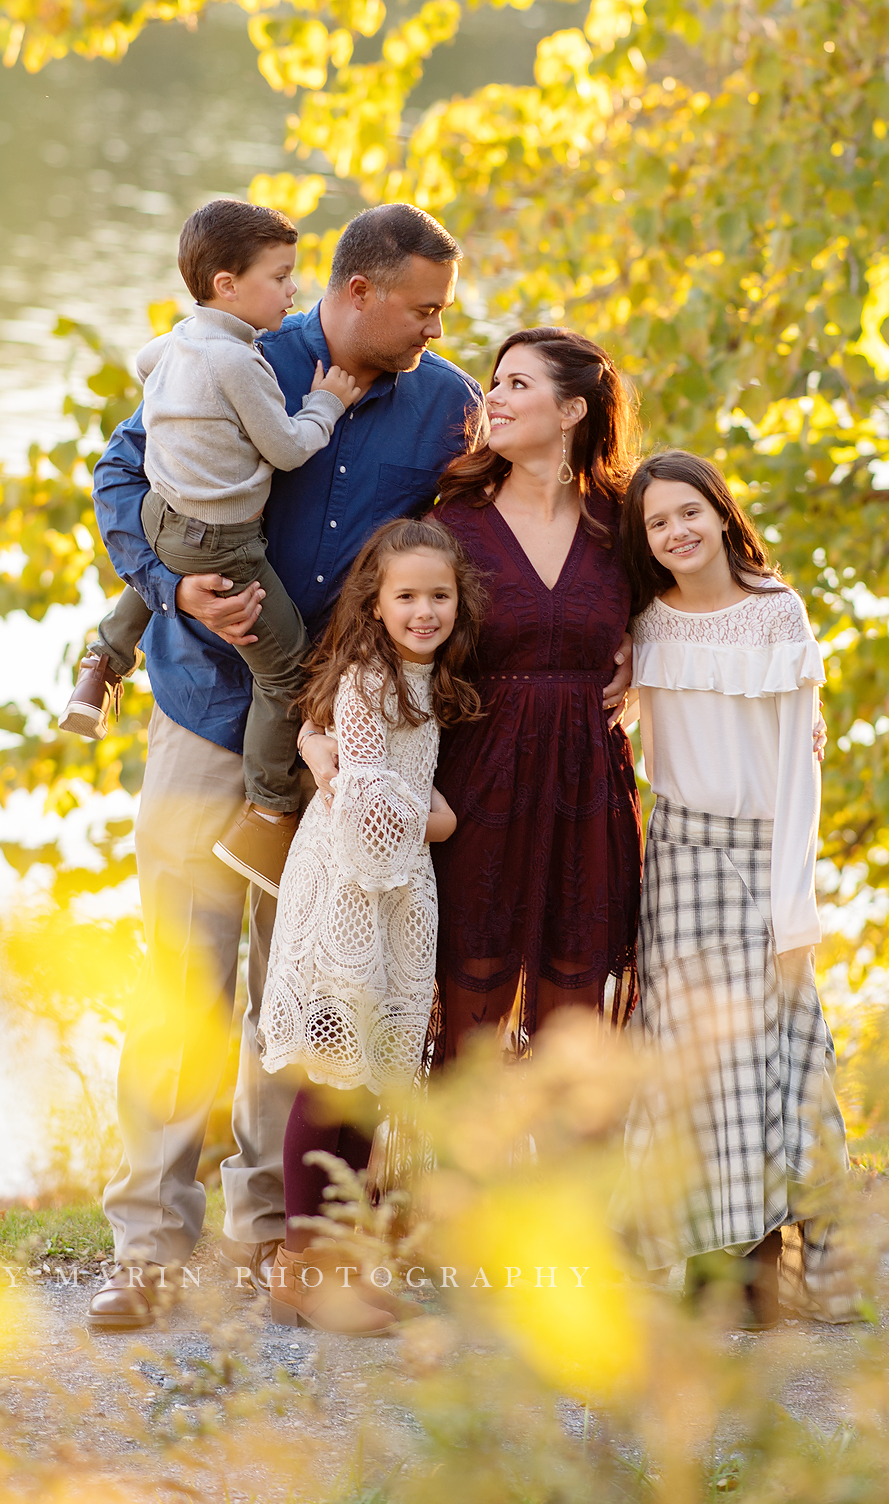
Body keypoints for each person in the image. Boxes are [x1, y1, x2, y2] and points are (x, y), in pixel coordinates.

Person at [84, 203, 480, 1331]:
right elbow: (121, 476)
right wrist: (169, 590)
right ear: (358, 293)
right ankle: (151, 1246)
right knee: (186, 984)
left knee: (297, 997)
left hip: (344, 746)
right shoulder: (232, 352)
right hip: (209, 718)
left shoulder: (446, 405)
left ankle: (271, 1241)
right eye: (422, 308)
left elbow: (486, 541)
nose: (433, 329)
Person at [58, 198, 362, 885]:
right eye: (280, 277)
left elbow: (143, 360)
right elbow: (286, 449)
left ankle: (101, 663)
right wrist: (329, 401)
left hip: (162, 517)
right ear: (227, 284)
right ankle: (267, 814)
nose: (292, 291)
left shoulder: (182, 340)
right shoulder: (239, 361)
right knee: (285, 672)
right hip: (225, 544)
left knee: (166, 555)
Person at [618, 450, 851, 1328]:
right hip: (677, 861)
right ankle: (711, 1272)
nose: (676, 533)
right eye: (656, 524)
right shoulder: (645, 623)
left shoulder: (776, 615)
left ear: (720, 514)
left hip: (762, 858)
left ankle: (778, 1274)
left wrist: (795, 910)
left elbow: (800, 773)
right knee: (691, 1067)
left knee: (784, 1063)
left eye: (689, 513)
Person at [261, 518, 484, 1333]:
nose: (424, 611)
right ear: (376, 603)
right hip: (348, 891)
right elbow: (359, 790)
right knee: (331, 1082)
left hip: (391, 895)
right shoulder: (366, 676)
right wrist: (440, 821)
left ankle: (337, 1266)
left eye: (439, 596)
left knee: (364, 1089)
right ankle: (303, 1266)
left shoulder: (428, 674)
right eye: (407, 597)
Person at [428, 328, 643, 1060]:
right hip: (479, 790)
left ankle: (568, 1179)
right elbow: (394, 640)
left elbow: (708, 597)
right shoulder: (452, 518)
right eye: (497, 382)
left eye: (519, 384)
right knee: (472, 1015)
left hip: (588, 792)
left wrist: (644, 654)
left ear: (574, 410)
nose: (494, 397)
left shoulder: (626, 523)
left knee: (573, 1023)